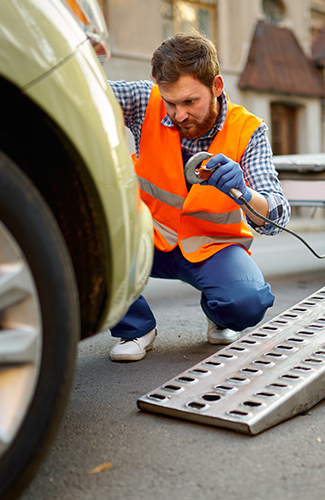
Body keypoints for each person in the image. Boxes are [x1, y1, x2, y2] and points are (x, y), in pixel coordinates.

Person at [107, 33, 291, 362]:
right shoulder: (143, 102)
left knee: (247, 303)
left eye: (190, 102)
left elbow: (276, 218)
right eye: (171, 102)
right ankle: (135, 329)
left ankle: (219, 313)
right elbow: (83, 92)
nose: (179, 114)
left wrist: (244, 193)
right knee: (84, 241)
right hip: (149, 240)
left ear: (217, 86)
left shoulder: (248, 129)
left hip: (212, 248)